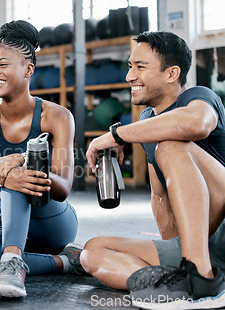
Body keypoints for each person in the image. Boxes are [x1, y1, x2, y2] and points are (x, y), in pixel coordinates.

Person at [82, 31, 225, 309]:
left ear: (172, 73)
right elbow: (160, 197)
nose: (129, 77)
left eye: (140, 67)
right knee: (92, 252)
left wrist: (117, 135)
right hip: (199, 244)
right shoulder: (147, 120)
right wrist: (173, 250)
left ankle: (201, 278)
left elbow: (197, 123)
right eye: (129, 66)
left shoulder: (199, 97)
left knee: (171, 146)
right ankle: (184, 281)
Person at [0, 20, 83, 299]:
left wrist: (20, 161)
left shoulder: (57, 116)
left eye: (3, 64)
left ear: (28, 69)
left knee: (15, 177)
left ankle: (12, 261)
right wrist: (7, 170)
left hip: (50, 219)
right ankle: (65, 261)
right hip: (4, 222)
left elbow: (63, 187)